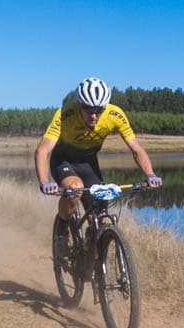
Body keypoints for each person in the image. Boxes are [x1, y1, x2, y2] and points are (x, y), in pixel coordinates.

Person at [34, 77, 163, 226]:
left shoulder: (115, 115)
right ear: (79, 104)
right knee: (75, 188)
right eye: (88, 109)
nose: (94, 116)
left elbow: (136, 148)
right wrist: (44, 181)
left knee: (100, 214)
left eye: (99, 110)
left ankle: (96, 238)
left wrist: (150, 174)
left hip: (88, 162)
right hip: (63, 160)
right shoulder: (65, 114)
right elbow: (43, 150)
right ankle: (62, 226)